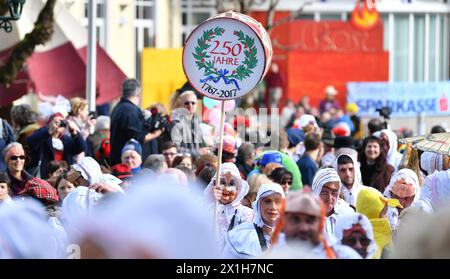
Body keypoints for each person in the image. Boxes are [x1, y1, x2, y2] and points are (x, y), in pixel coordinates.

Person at [274, 189, 361, 259]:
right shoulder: (273, 254)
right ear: (283, 223)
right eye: (295, 220)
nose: (303, 228)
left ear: (320, 224)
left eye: (310, 221)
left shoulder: (343, 255)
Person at [222, 183, 285, 259]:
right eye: (267, 201)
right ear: (258, 204)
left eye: (278, 201)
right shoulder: (242, 237)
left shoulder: (291, 235)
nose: (273, 207)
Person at [110, 79, 162, 165]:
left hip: (120, 161)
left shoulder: (118, 108)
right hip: (129, 164)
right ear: (138, 93)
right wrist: (156, 133)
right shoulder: (130, 111)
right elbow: (137, 138)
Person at [203, 163, 254, 251]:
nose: (226, 189)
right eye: (222, 183)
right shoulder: (206, 209)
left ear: (238, 188)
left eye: (231, 184)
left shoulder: (248, 214)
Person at [26, 112, 86, 179]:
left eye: (61, 122)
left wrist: (74, 132)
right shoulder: (43, 135)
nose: (59, 124)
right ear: (49, 123)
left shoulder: (66, 140)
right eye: (56, 122)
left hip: (63, 176)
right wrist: (49, 131)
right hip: (45, 175)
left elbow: (81, 148)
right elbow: (30, 142)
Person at [356, 187, 402, 259]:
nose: (387, 217)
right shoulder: (382, 238)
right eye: (384, 212)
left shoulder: (352, 236)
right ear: (375, 213)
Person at [311, 168, 354, 238]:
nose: (330, 198)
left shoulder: (347, 214)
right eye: (324, 193)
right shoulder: (308, 217)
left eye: (334, 193)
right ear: (316, 192)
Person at [170, 90, 203, 157]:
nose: (190, 105)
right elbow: (175, 148)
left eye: (193, 103)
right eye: (186, 103)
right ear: (179, 105)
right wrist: (197, 152)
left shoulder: (196, 121)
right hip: (182, 162)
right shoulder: (175, 123)